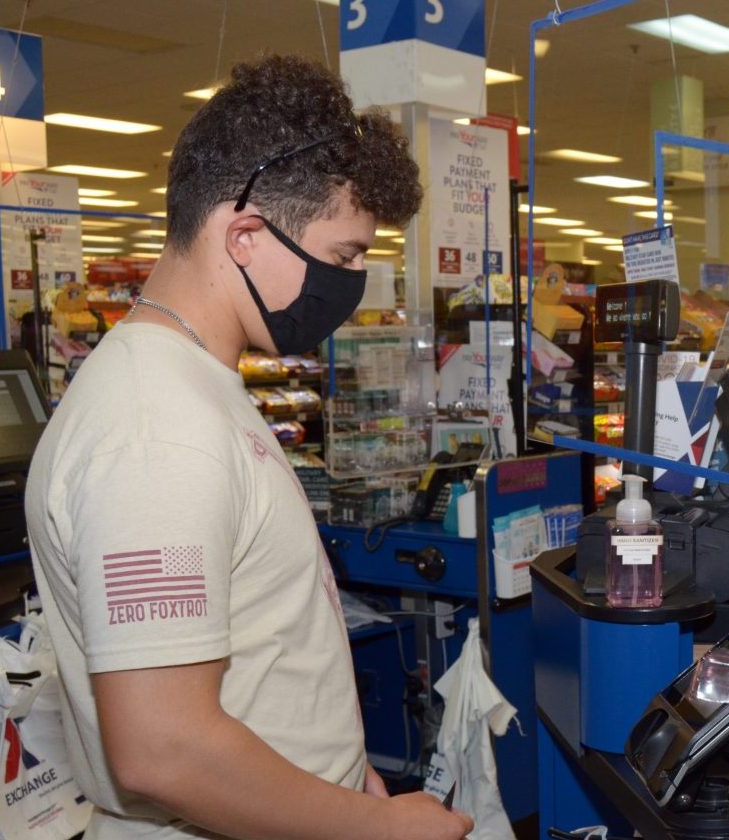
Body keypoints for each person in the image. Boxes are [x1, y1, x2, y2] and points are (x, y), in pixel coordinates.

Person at [25, 55, 473, 839]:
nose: (353, 281)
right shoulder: (155, 430)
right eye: (344, 257)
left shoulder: (191, 384)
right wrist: (382, 829)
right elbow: (164, 750)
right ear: (243, 235)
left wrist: (336, 780)